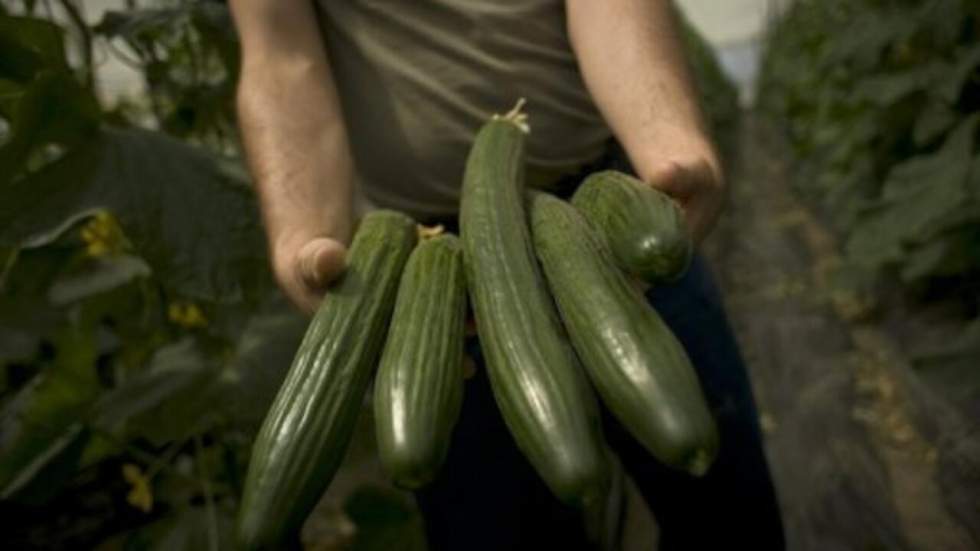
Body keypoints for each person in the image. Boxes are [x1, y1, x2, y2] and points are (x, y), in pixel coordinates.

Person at [228, 1, 785, 549]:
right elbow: (283, 56)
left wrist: (668, 140)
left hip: (606, 216)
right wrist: (301, 232)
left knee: (727, 515)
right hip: (423, 259)